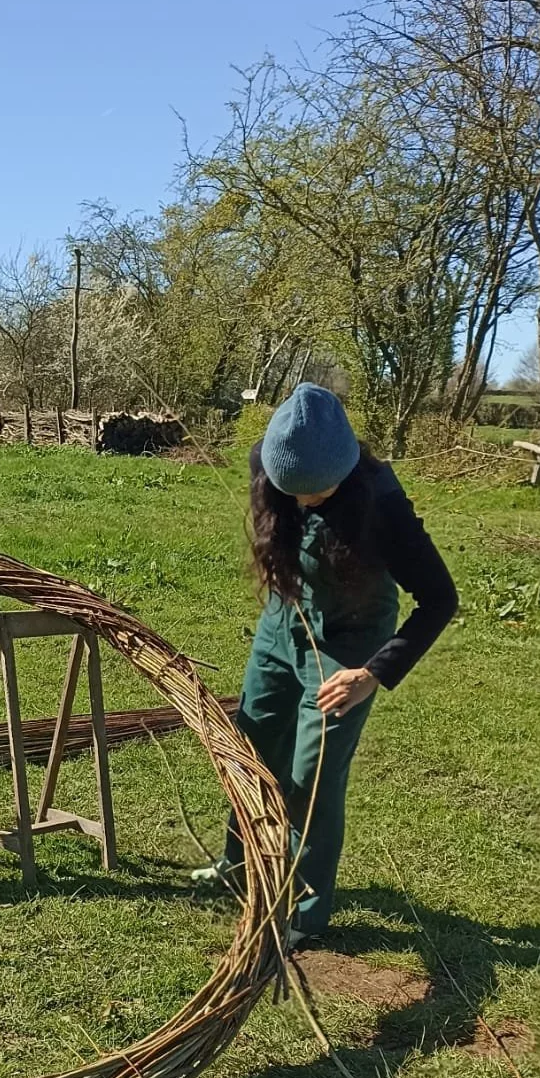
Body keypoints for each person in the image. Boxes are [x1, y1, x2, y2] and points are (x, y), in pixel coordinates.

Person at [192, 383, 456, 950]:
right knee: (252, 743)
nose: (304, 502)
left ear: (347, 468)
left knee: (312, 775)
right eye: (293, 492)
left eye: (317, 493)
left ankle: (304, 912)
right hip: (283, 623)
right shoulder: (270, 466)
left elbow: (440, 599)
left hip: (350, 641)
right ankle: (240, 867)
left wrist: (372, 674)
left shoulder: (383, 505)